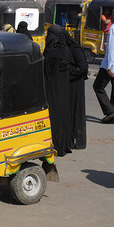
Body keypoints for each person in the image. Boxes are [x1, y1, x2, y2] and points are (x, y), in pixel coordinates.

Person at [43, 25, 73, 157]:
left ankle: (52, 145)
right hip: (64, 90)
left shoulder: (50, 52)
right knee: (63, 117)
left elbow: (45, 74)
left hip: (52, 91)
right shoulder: (66, 51)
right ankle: (63, 145)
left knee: (53, 118)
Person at [63, 29, 88, 149]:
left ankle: (78, 141)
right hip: (70, 84)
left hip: (76, 84)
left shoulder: (75, 49)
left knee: (76, 111)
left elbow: (83, 68)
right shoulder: (66, 48)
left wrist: (69, 71)